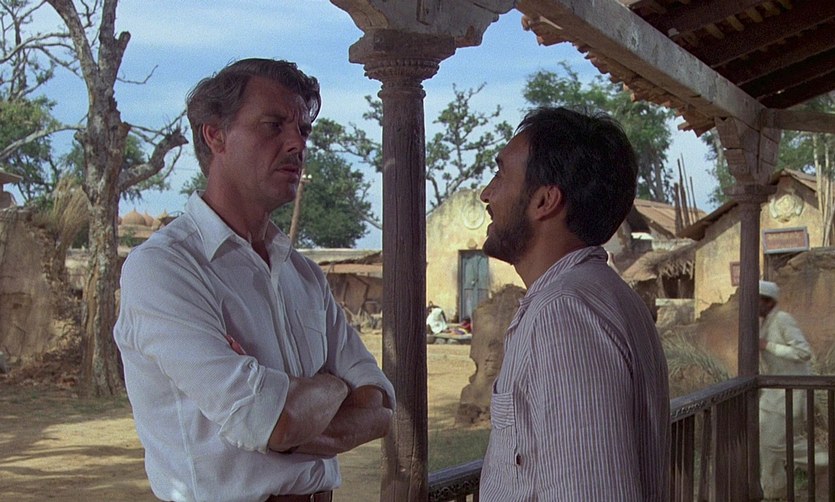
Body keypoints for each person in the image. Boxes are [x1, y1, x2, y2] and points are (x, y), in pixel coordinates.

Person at [114, 58, 394, 502]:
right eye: (273, 125)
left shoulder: (302, 274)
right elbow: (272, 422)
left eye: (303, 129)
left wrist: (293, 413)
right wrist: (335, 386)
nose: (296, 143)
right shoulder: (166, 268)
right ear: (215, 135)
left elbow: (379, 408)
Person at [477, 107, 670, 500]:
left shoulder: (565, 312)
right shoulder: (597, 294)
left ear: (545, 200)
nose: (486, 193)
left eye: (500, 174)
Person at [757, 280, 812, 499]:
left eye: (757, 300)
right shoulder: (765, 323)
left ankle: (824, 461)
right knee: (766, 447)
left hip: (789, 396)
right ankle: (773, 492)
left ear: (768, 302)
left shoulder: (782, 319)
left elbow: (803, 352)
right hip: (772, 397)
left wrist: (768, 346)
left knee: (777, 445)